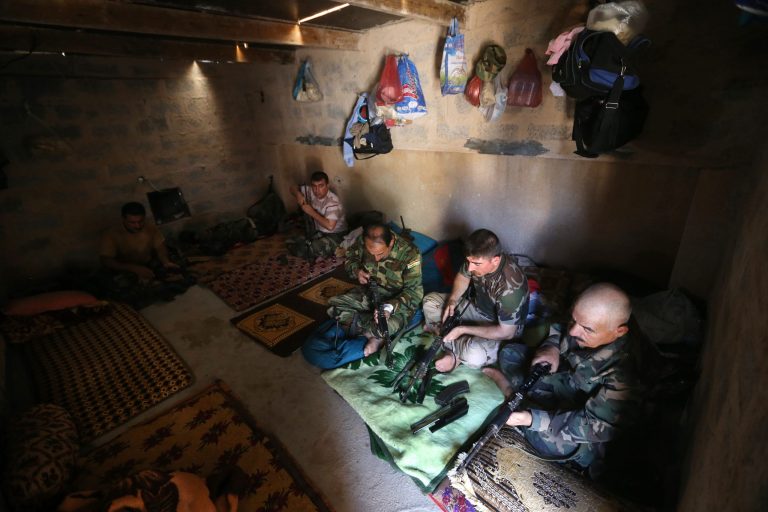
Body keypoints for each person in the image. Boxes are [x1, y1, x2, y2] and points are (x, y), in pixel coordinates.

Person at [485, 283, 643, 475]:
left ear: (619, 331)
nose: (574, 331)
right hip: (567, 382)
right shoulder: (586, 320)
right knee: (511, 353)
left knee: (555, 443)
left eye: (587, 329)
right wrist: (551, 347)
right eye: (574, 320)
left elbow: (594, 426)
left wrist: (532, 419)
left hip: (587, 424)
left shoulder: (626, 374)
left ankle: (513, 397)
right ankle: (522, 401)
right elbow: (559, 328)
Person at [301, 222, 423, 369]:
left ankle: (373, 336)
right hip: (369, 295)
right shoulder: (363, 240)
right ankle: (366, 331)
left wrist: (389, 307)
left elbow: (414, 292)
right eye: (371, 253)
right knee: (334, 305)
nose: (376, 259)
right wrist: (357, 271)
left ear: (391, 242)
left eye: (380, 254)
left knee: (383, 327)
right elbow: (351, 259)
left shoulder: (410, 254)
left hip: (396, 303)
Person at [422, 229, 528, 372]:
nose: (470, 267)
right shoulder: (476, 259)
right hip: (477, 309)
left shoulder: (511, 288)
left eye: (476, 264)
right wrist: (453, 299)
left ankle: (452, 351)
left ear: (495, 261)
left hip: (500, 326)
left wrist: (462, 329)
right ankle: (452, 341)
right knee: (430, 301)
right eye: (469, 261)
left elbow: (507, 333)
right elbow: (463, 277)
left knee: (475, 355)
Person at [100, 201, 178, 281]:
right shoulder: (111, 234)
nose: (138, 226)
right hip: (124, 269)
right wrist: (134, 268)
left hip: (147, 264)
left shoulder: (150, 227)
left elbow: (160, 246)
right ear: (123, 219)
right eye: (132, 222)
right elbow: (106, 260)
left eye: (141, 221)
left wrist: (165, 261)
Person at [287, 171, 348, 259]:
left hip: (336, 235)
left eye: (321, 186)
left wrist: (311, 212)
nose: (317, 190)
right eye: (314, 186)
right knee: (291, 241)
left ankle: (329, 249)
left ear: (327, 186)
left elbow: (330, 226)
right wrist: (298, 195)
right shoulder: (311, 191)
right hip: (319, 232)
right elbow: (292, 188)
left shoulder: (332, 202)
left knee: (309, 248)